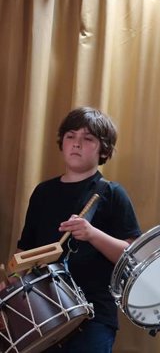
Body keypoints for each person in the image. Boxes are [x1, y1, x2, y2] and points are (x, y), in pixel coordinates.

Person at [13, 106, 141, 352]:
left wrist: (92, 234)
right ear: (62, 143)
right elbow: (25, 250)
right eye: (71, 136)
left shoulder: (112, 193)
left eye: (88, 139)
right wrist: (13, 282)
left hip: (93, 316)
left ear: (103, 148)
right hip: (43, 313)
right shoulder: (43, 193)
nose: (77, 144)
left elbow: (131, 257)